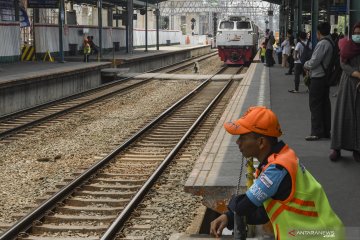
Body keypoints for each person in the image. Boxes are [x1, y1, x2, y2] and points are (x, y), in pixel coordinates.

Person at [209, 106, 344, 239]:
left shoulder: (276, 170)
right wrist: (229, 216)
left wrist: (233, 208)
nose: (238, 142)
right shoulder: (279, 159)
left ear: (261, 142)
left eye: (243, 138)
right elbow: (262, 213)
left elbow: (242, 207)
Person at [329, 22, 360, 162]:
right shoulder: (348, 46)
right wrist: (356, 73)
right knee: (343, 114)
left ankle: (357, 148)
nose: (357, 36)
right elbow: (343, 63)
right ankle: (336, 148)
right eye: (356, 33)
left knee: (358, 118)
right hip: (348, 84)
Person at [303, 22, 334, 141]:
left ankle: (316, 132)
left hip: (318, 78)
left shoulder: (322, 44)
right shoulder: (331, 42)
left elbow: (314, 61)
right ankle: (326, 131)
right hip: (325, 77)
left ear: (319, 32)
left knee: (315, 105)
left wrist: (306, 64)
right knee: (325, 105)